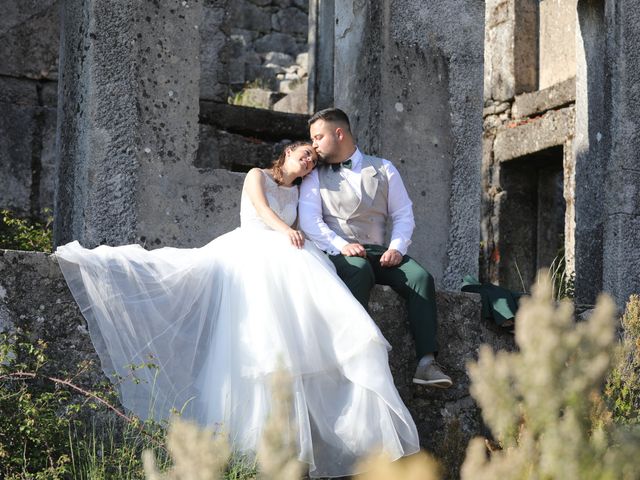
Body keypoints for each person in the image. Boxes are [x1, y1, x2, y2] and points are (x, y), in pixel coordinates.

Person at [55, 141, 420, 478]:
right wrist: (287, 231)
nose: (309, 161)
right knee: (246, 331)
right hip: (250, 249)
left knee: (295, 329)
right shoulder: (256, 175)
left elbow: (302, 225)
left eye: (312, 159)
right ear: (288, 153)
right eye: (304, 153)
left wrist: (297, 234)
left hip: (281, 253)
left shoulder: (299, 191)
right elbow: (261, 210)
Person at [299, 108, 452, 388]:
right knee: (358, 271)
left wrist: (396, 247)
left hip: (379, 251)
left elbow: (404, 214)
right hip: (337, 252)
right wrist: (342, 245)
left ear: (339, 133)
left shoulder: (384, 167)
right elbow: (310, 221)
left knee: (420, 278)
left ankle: (427, 363)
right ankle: (353, 356)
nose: (314, 145)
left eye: (318, 137)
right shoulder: (313, 175)